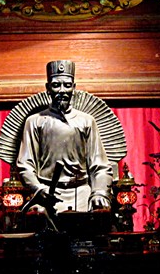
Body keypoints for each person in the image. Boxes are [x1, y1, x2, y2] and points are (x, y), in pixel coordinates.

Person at [16, 60, 113, 214]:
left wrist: (99, 192)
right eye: (56, 85)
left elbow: (99, 165)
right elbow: (25, 165)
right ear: (48, 88)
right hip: (47, 192)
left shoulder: (86, 121)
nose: (62, 90)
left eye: (67, 85)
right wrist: (38, 188)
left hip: (81, 193)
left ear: (74, 87)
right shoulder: (35, 122)